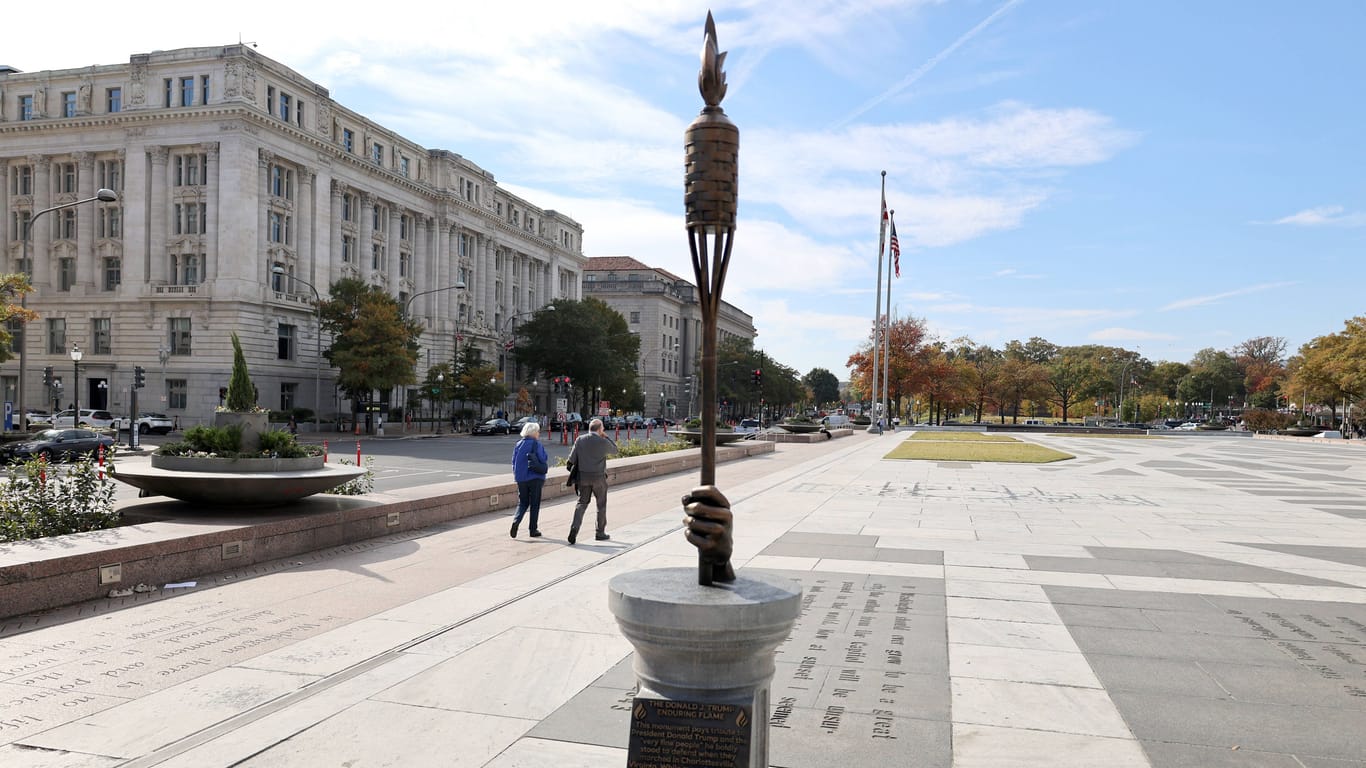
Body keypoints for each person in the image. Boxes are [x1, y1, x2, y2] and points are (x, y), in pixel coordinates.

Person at [565, 417, 617, 544]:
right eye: (602, 428)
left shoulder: (580, 440)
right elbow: (615, 450)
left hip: (583, 477)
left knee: (581, 503)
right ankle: (600, 532)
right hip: (598, 477)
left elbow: (571, 460)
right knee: (601, 505)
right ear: (600, 430)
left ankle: (574, 529)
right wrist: (605, 437)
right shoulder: (602, 441)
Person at [510, 421, 549, 538]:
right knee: (535, 504)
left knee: (522, 502)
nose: (539, 433)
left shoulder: (518, 444)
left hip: (521, 478)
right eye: (537, 431)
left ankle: (516, 521)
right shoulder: (536, 444)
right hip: (535, 477)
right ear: (533, 433)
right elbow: (543, 458)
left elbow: (513, 461)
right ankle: (533, 530)